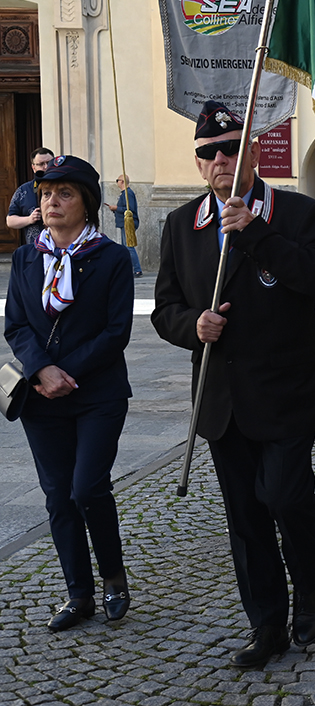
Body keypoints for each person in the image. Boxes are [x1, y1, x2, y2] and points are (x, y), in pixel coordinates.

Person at [152, 101, 315, 668]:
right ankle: (266, 626)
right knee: (246, 519)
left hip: (286, 393)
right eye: (209, 153)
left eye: (232, 148)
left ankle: (310, 578)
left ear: (255, 151)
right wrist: (192, 325)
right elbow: (165, 308)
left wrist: (257, 234)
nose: (221, 161)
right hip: (222, 400)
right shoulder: (183, 225)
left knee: (284, 499)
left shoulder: (298, 213)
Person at [5, 155, 134, 632]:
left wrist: (66, 371)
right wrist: (42, 371)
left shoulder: (112, 258)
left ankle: (114, 577)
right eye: (45, 195)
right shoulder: (25, 257)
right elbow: (15, 325)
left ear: (88, 204)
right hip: (41, 395)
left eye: (64, 194)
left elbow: (116, 331)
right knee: (59, 497)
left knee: (87, 488)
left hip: (97, 393)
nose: (51, 202)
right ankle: (78, 594)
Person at [7, 146, 55, 246]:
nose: (46, 167)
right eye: (41, 164)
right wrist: (29, 219)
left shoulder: (65, 188)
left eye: (49, 163)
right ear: (33, 168)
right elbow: (10, 220)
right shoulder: (23, 190)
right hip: (35, 250)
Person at [109, 173, 142, 276]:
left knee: (129, 246)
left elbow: (130, 209)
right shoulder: (124, 193)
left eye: (117, 180)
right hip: (124, 223)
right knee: (126, 247)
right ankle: (130, 268)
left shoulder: (128, 193)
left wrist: (116, 208)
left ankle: (137, 269)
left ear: (122, 182)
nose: (117, 182)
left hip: (128, 223)